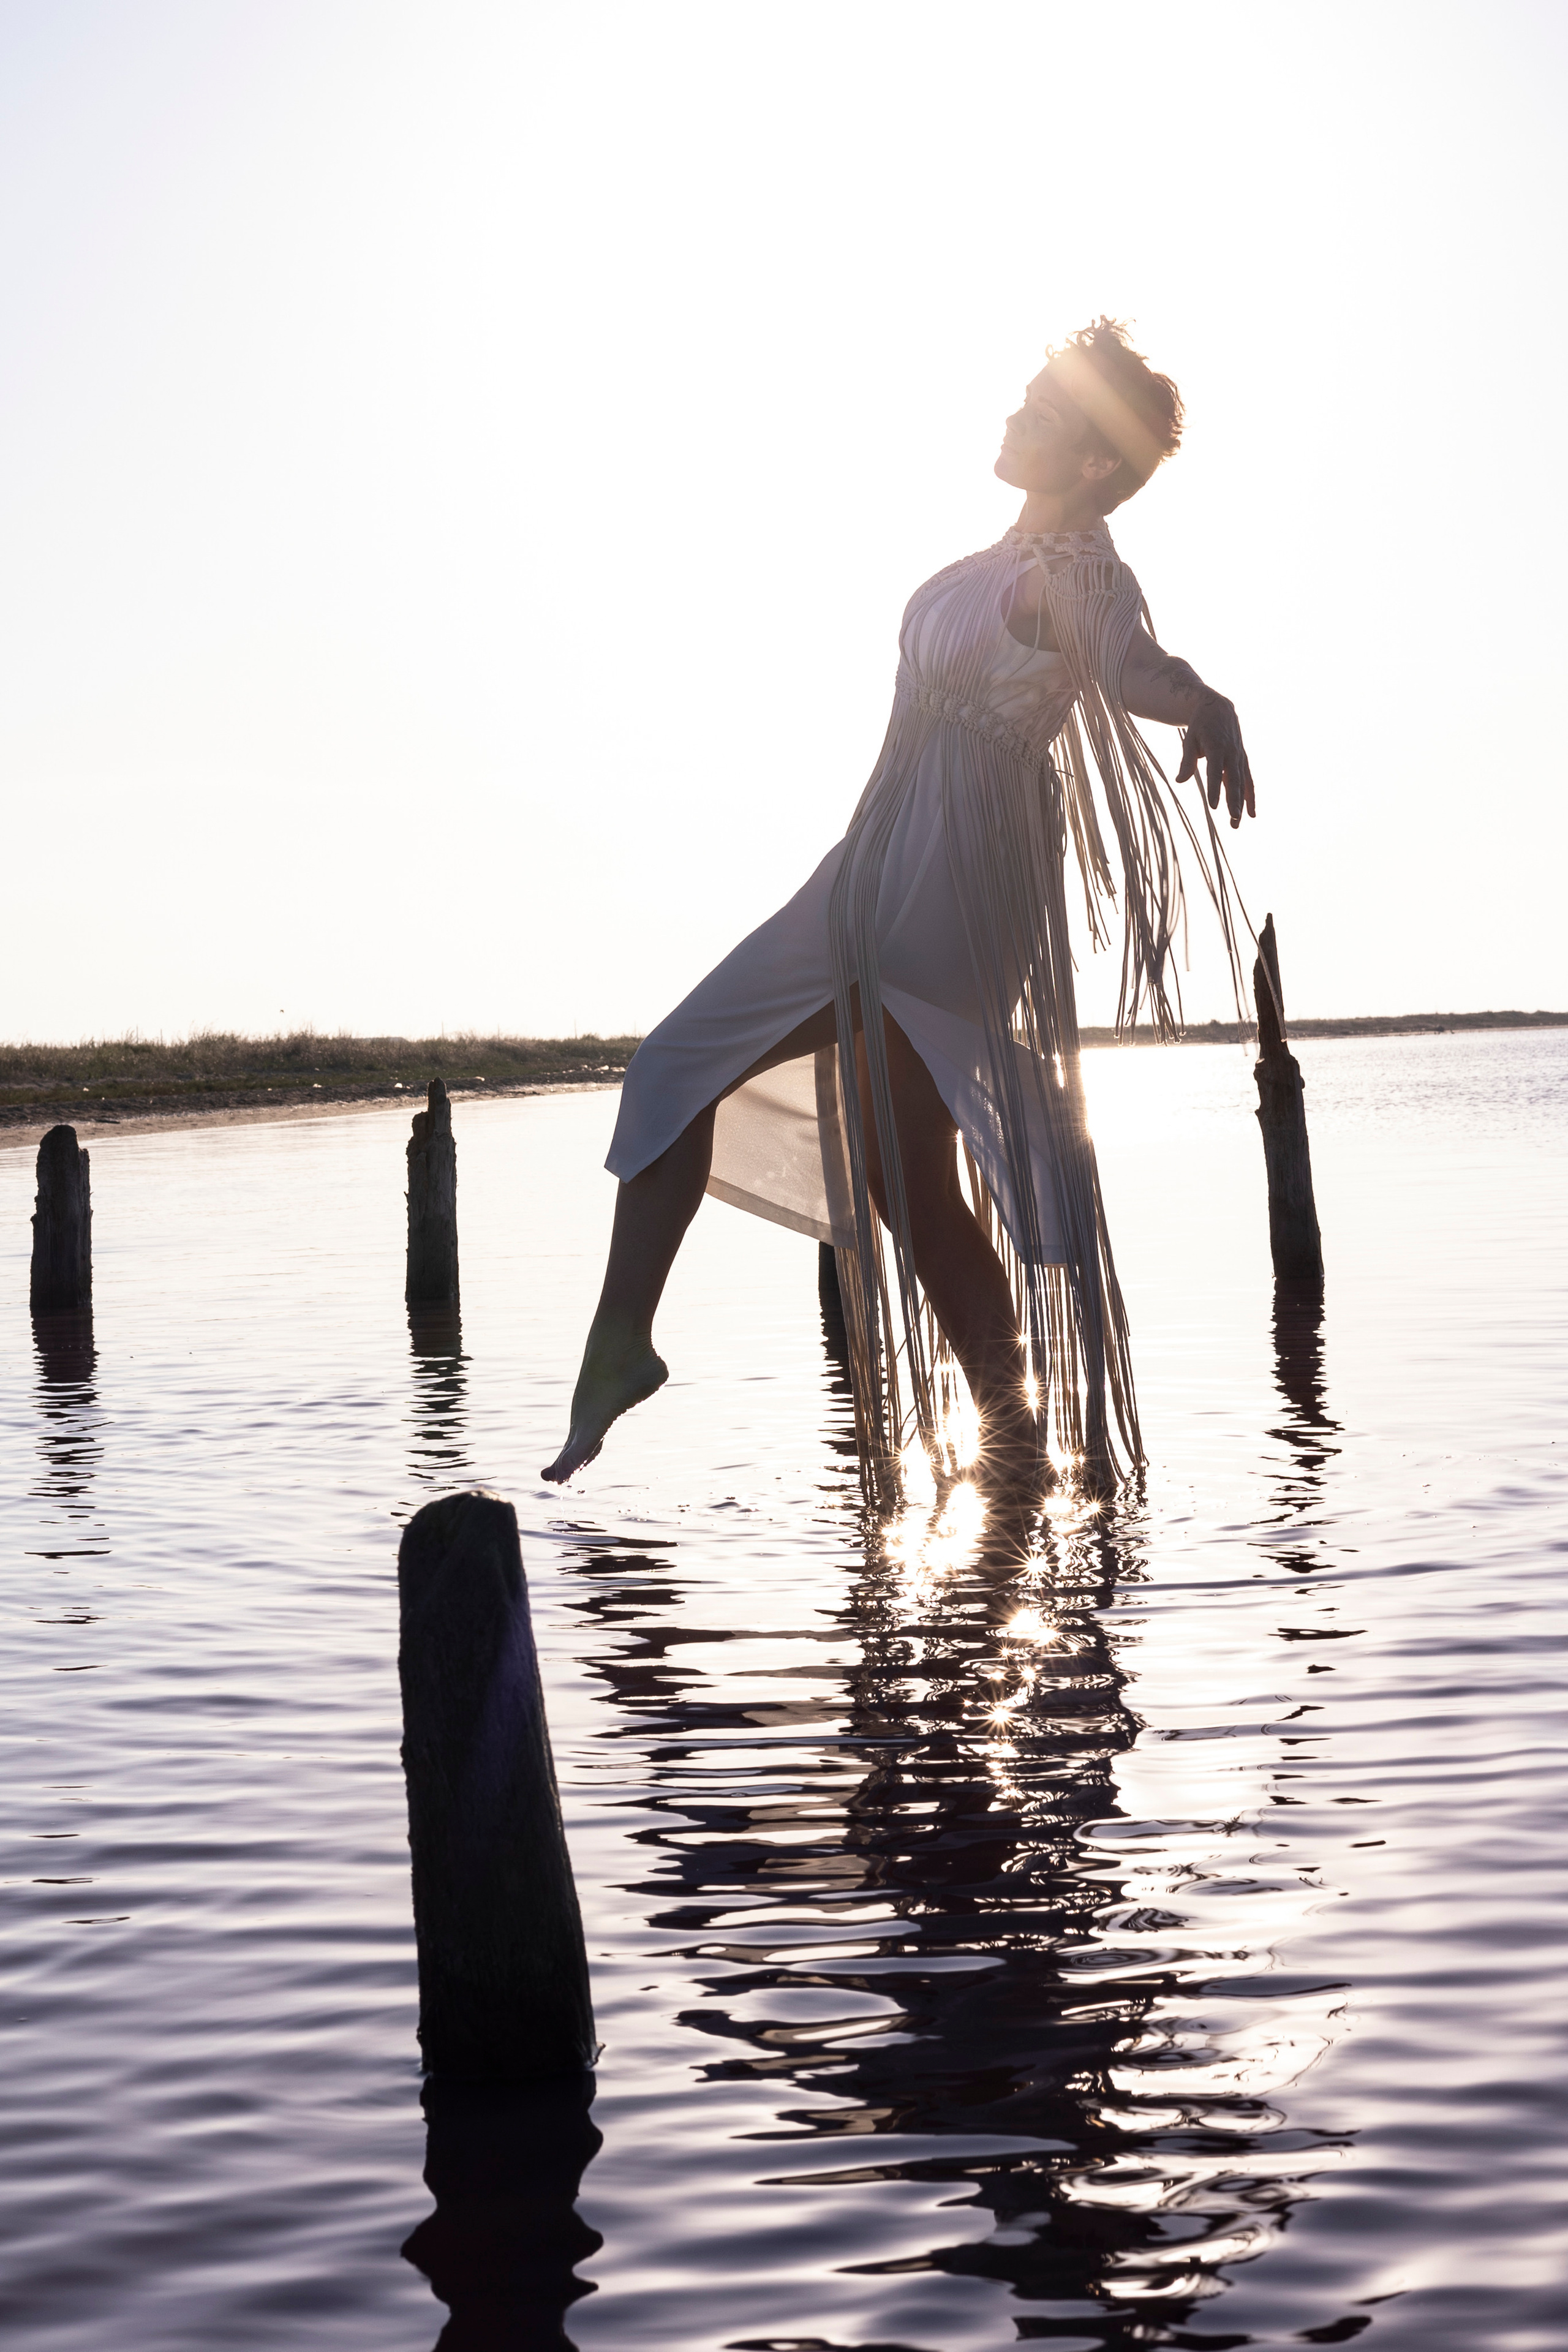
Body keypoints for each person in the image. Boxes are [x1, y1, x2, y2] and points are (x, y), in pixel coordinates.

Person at [543, 319, 1255, 1494]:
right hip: (870, 866)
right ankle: (1013, 1426)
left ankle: (624, 1344)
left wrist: (1204, 702)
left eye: (1042, 410)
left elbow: (1133, 665)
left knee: (681, 1067)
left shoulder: (1080, 574)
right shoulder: (997, 560)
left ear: (1090, 464)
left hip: (957, 887)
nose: (1013, 416)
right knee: (896, 1163)